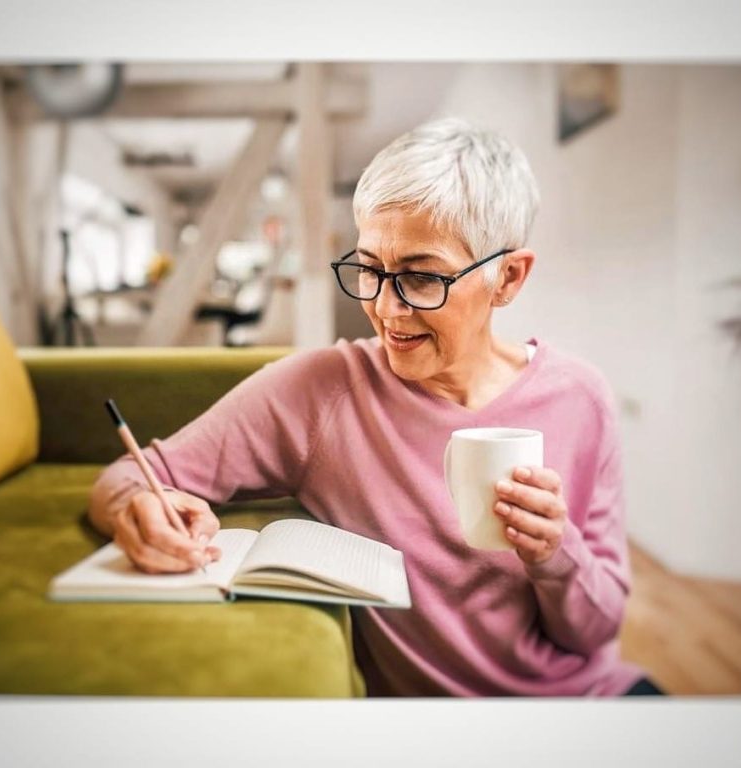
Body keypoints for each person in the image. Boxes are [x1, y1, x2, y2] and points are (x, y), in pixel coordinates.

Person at [89, 117, 661, 697]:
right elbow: (135, 475)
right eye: (368, 269)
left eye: (420, 277)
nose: (386, 308)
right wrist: (137, 512)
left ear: (508, 277)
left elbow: (596, 631)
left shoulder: (581, 399)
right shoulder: (320, 391)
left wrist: (555, 552)